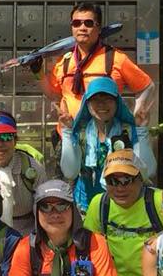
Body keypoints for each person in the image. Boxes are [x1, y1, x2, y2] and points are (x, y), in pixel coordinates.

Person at [83, 149, 163, 276]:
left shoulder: (159, 201)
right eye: (112, 181)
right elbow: (87, 252)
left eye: (126, 180)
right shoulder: (100, 204)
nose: (120, 188)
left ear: (141, 179)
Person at [41, 2, 154, 127]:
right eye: (76, 23)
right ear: (72, 27)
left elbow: (147, 86)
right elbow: (54, 94)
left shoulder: (116, 58)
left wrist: (137, 115)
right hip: (68, 137)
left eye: (88, 23)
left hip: (106, 140)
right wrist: (37, 73)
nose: (82, 28)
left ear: (99, 28)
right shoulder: (64, 61)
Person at [60, 76, 155, 214]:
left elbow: (148, 170)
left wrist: (141, 130)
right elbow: (70, 172)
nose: (101, 105)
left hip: (124, 208)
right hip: (87, 208)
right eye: (95, 100)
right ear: (87, 103)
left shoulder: (128, 131)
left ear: (117, 103)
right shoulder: (81, 133)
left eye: (108, 99)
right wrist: (67, 132)